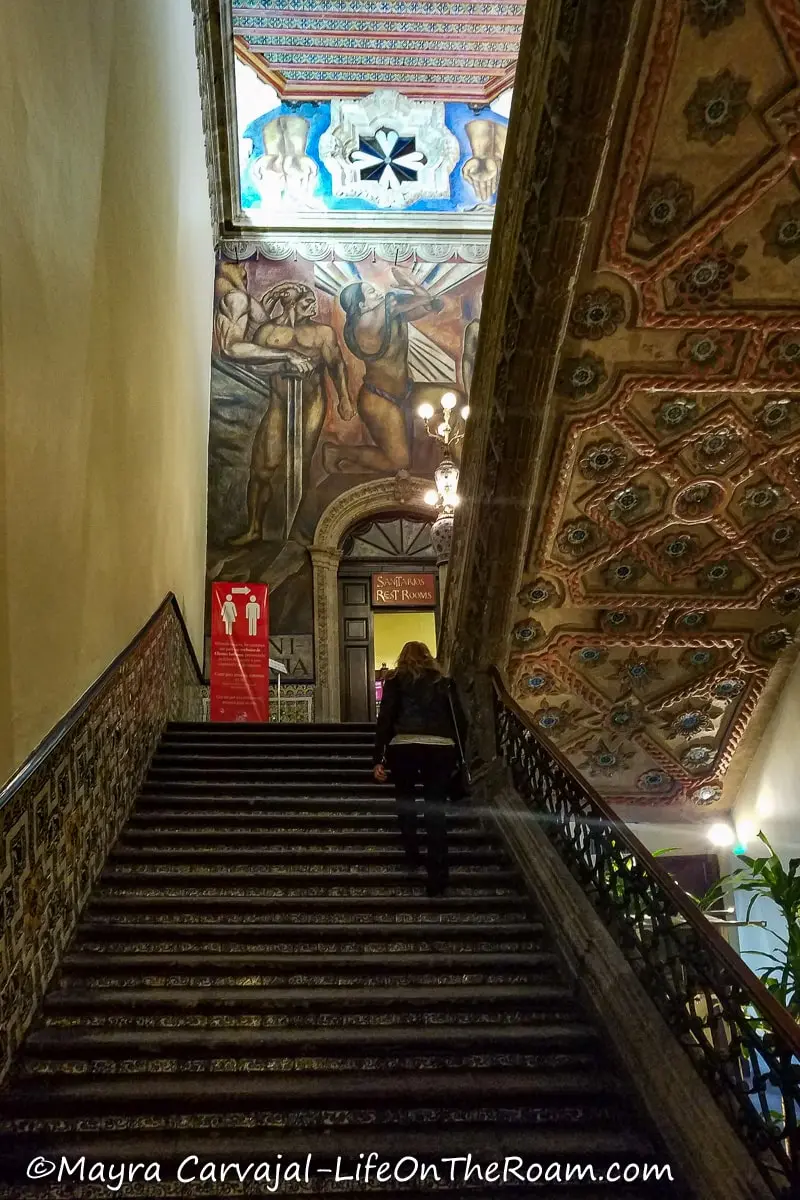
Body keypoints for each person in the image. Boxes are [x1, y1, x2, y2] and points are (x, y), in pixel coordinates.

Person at [322, 268, 443, 476]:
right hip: (379, 400)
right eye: (370, 292)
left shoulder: (390, 312)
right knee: (400, 463)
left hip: (406, 391)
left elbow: (425, 305)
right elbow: (423, 301)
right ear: (361, 305)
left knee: (455, 400)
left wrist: (415, 289)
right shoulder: (362, 326)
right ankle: (338, 452)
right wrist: (415, 291)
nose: (377, 292)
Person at [372, 642, 467, 897]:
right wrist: (459, 755)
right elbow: (461, 721)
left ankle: (412, 852)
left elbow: (385, 721)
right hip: (440, 749)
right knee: (435, 809)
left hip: (404, 747)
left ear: (402, 658)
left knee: (406, 799)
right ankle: (438, 877)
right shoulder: (444, 683)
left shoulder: (395, 682)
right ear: (428, 658)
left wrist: (378, 758)